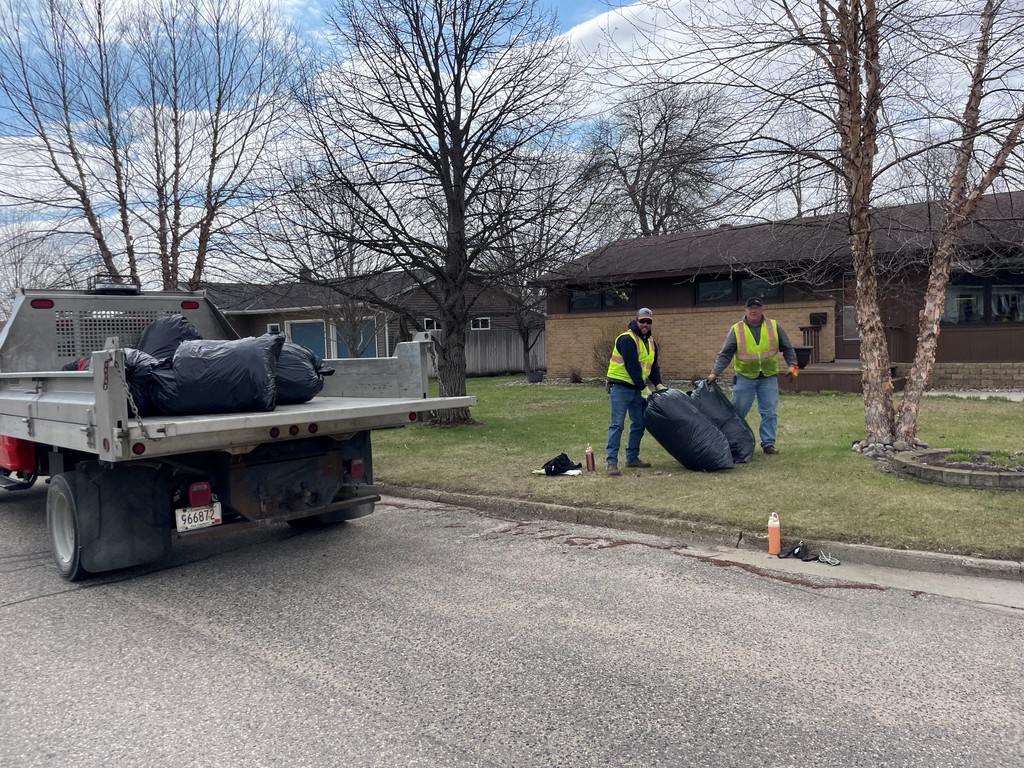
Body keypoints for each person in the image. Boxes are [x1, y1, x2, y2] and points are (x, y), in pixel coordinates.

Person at [707, 297, 798, 455]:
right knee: (737, 412)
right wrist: (714, 373)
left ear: (762, 309)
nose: (753, 310)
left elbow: (788, 348)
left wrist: (793, 367)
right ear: (745, 310)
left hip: (768, 377)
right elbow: (725, 354)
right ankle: (732, 441)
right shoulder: (736, 329)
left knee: (770, 412)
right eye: (750, 308)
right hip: (744, 377)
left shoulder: (774, 326)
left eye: (756, 307)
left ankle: (768, 444)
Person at [605, 307, 666, 476]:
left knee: (639, 423)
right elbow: (632, 367)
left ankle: (632, 458)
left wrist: (658, 384)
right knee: (617, 424)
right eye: (642, 321)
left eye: (648, 321)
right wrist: (644, 388)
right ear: (636, 321)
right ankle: (612, 462)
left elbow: (653, 366)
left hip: (637, 389)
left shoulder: (651, 342)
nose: (645, 324)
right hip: (621, 388)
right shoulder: (627, 339)